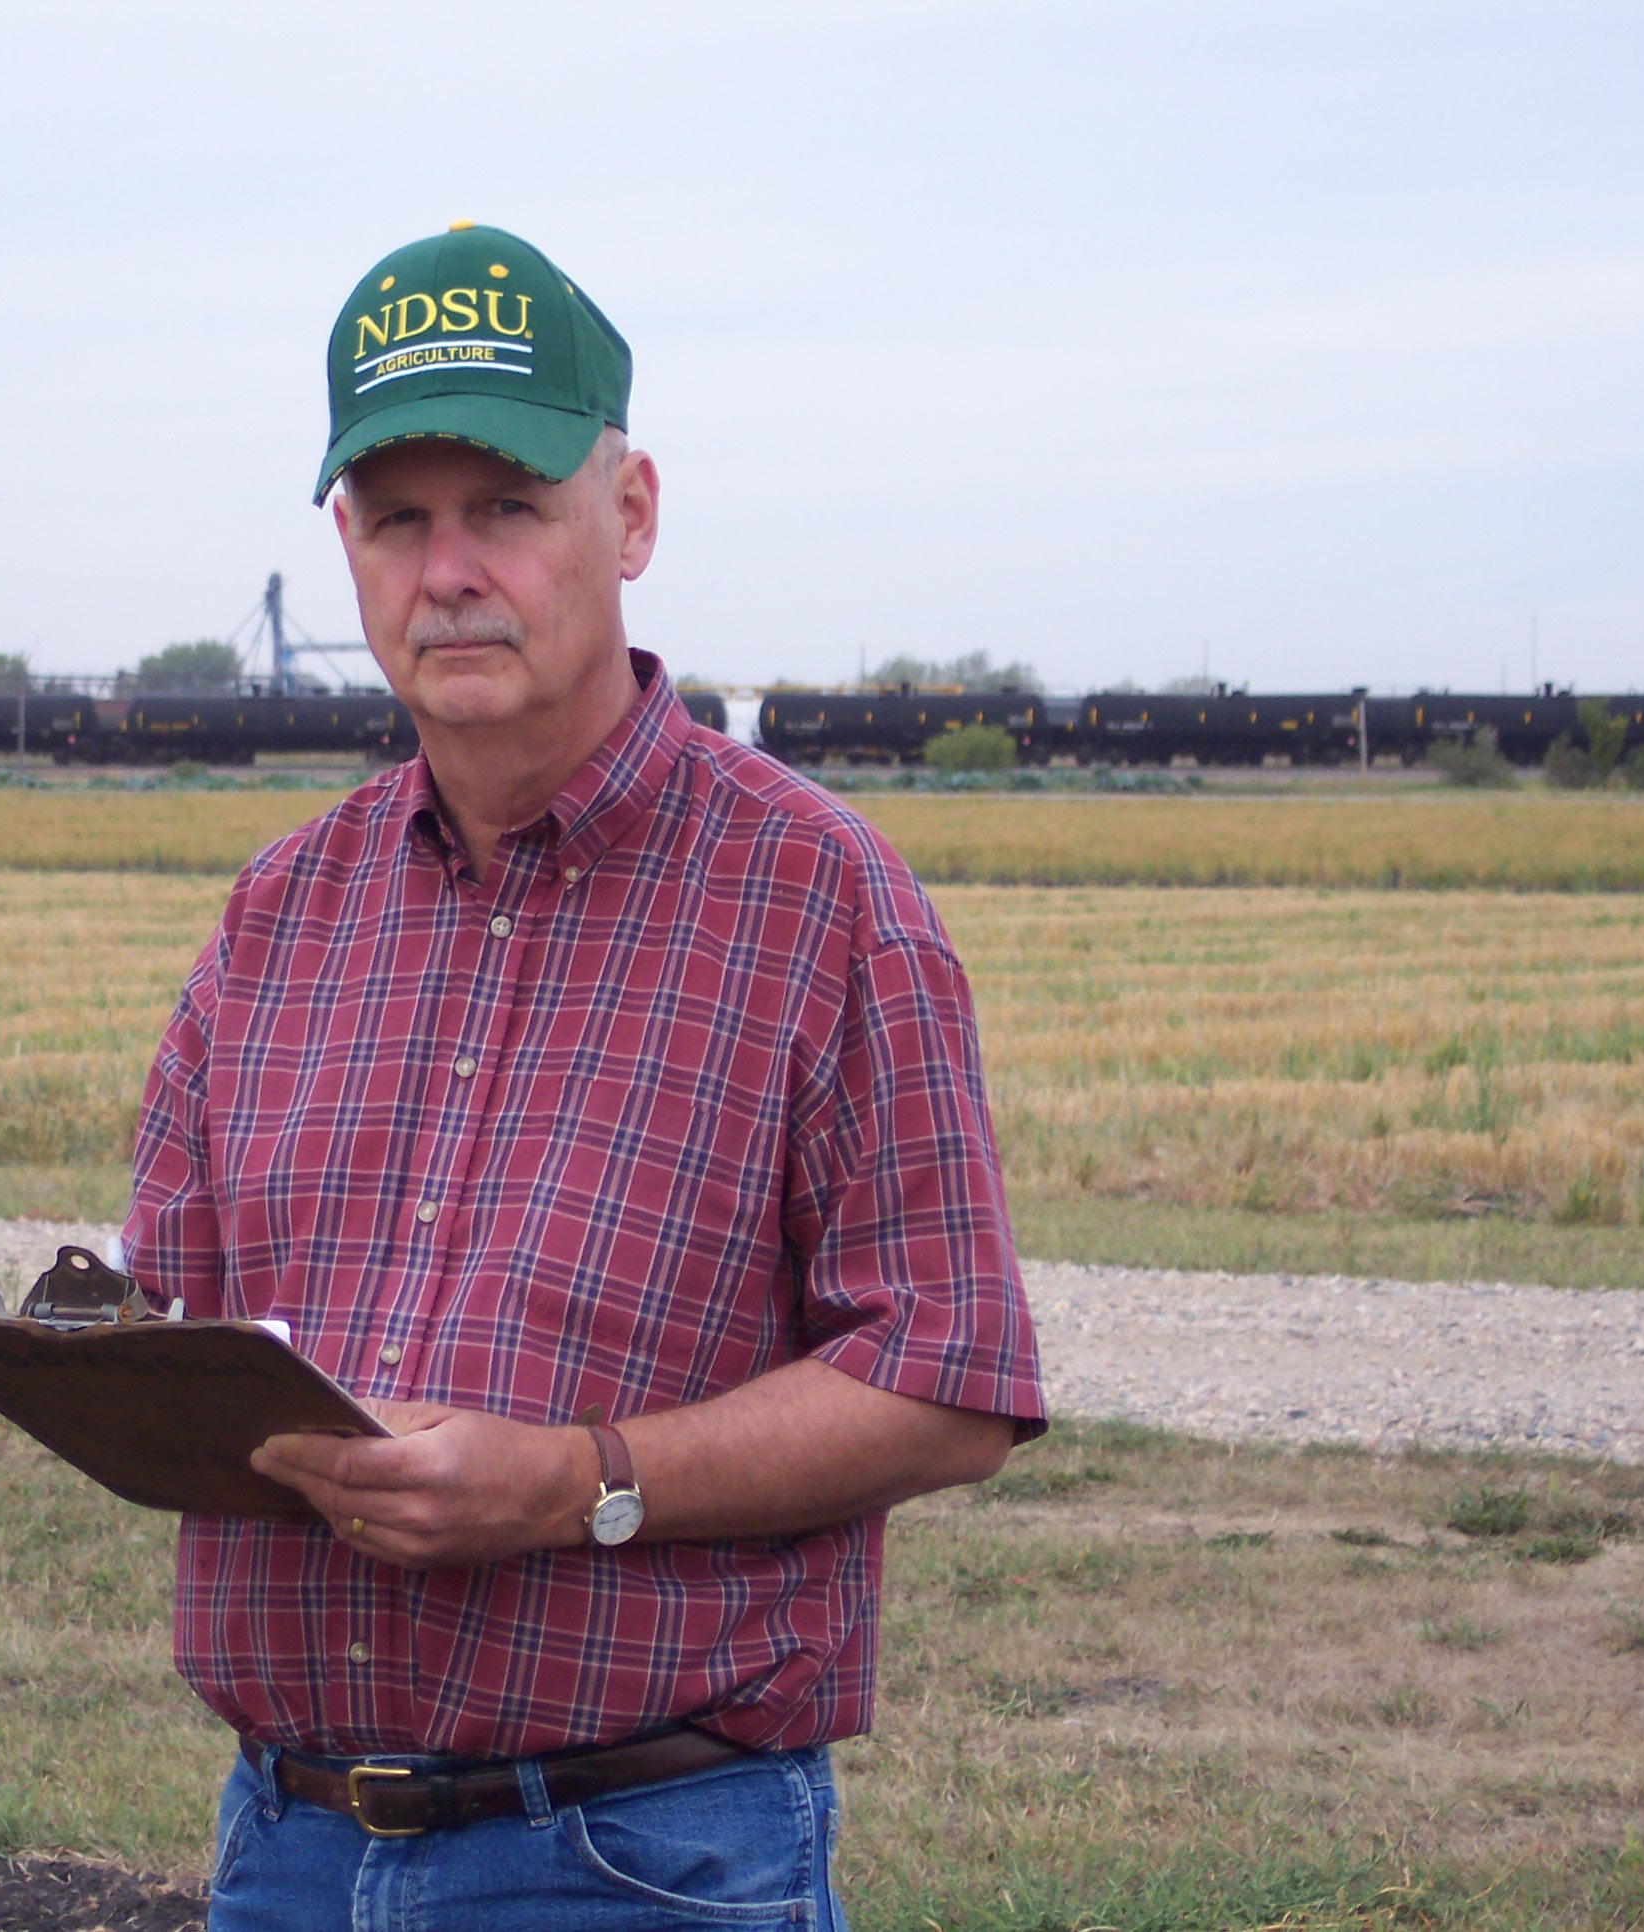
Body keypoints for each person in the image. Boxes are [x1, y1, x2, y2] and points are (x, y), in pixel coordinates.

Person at [125, 222, 1045, 1932]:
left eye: (507, 506)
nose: (450, 567)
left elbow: (952, 1377)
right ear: (346, 544)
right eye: (401, 517)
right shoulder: (276, 917)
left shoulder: (821, 904)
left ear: (627, 514)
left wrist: (575, 1481)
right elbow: (178, 1336)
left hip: (637, 1861)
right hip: (287, 1853)